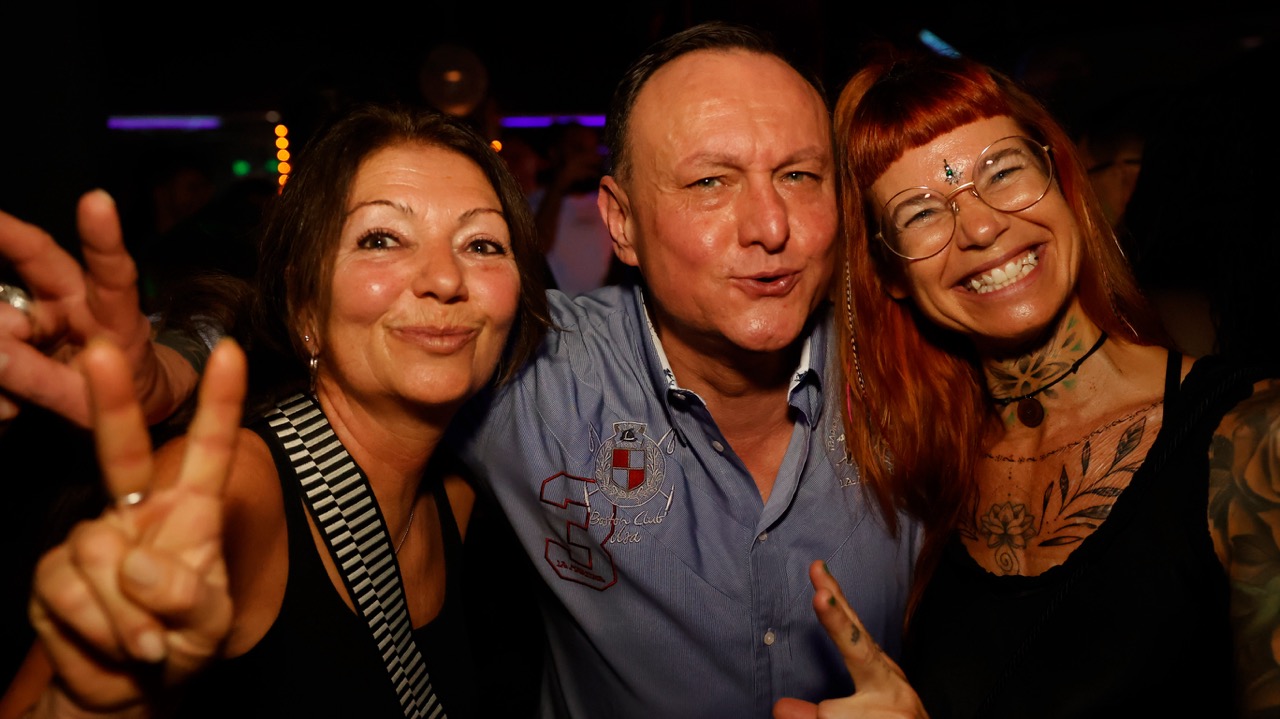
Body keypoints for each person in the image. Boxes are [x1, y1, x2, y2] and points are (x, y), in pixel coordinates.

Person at [0, 23, 921, 719]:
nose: (768, 225)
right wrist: (170, 367)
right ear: (620, 221)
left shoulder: (916, 369)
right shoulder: (247, 483)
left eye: (800, 176)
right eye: (710, 181)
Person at [0, 101, 551, 718]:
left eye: (482, 244)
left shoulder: (463, 496)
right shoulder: (229, 487)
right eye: (381, 239)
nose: (445, 278)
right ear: (304, 306)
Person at [777, 45, 1280, 718]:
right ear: (892, 274)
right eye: (922, 212)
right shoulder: (925, 477)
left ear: (1061, 179)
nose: (982, 227)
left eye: (1003, 171)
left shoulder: (1253, 440)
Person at [529, 121, 617, 295]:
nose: (588, 157)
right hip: (555, 308)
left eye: (593, 149)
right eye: (579, 149)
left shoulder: (608, 201)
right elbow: (536, 250)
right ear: (555, 154)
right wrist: (560, 183)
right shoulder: (534, 202)